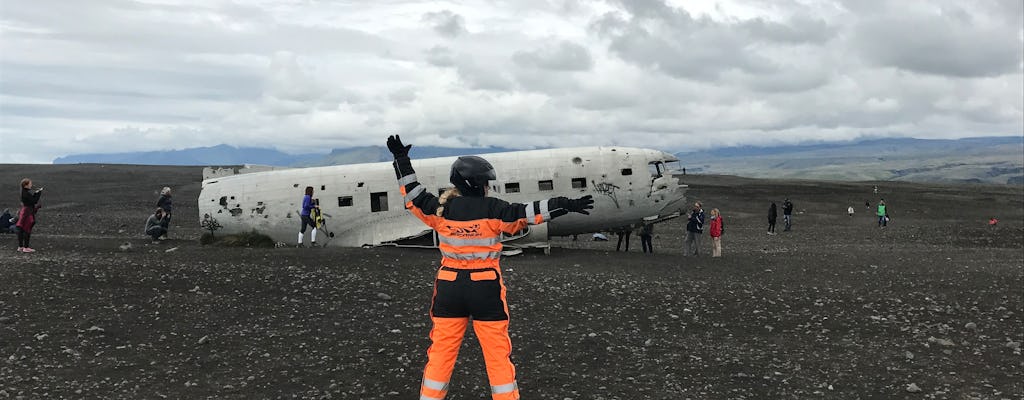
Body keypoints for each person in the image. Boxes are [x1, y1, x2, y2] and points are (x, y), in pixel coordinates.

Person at [388, 135, 593, 400]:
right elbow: (527, 212)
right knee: (497, 356)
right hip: (486, 289)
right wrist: (565, 205)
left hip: (449, 289)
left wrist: (401, 160)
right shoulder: (494, 208)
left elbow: (413, 194)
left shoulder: (441, 209)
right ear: (480, 184)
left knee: (440, 353)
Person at [16, 178, 43, 253]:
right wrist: (39, 193)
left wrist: (36, 193)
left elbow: (31, 199)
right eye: (30, 184)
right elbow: (34, 201)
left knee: (21, 229)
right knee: (27, 229)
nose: (31, 185)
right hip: (28, 213)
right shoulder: (26, 193)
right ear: (26, 185)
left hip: (24, 211)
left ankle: (20, 246)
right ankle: (26, 247)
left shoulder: (24, 192)